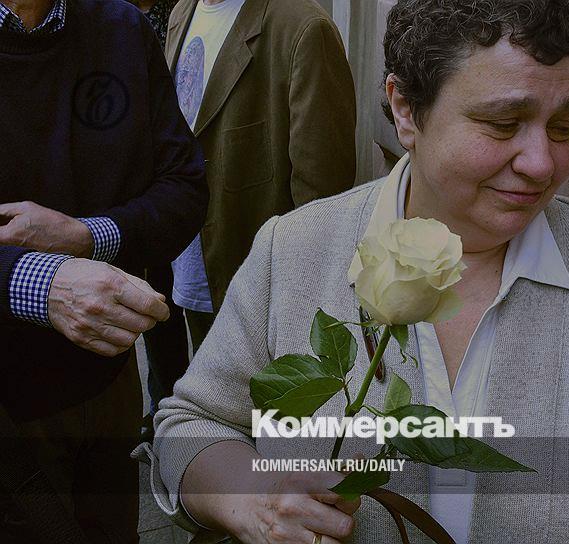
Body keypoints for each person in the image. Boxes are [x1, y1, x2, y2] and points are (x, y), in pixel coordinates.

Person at [146, 1, 569, 543]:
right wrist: (253, 500)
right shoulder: (295, 253)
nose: (542, 163)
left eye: (563, 127)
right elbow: (192, 426)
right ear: (406, 109)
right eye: (503, 124)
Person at [0, 0, 207, 541]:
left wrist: (89, 235)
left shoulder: (121, 28)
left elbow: (185, 187)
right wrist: (39, 281)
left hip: (107, 387)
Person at [165, 0, 357, 351]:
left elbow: (322, 197)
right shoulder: (182, 11)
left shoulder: (304, 28)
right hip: (189, 273)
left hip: (257, 295)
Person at [128, 0, 191, 444]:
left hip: (180, 191)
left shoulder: (175, 10)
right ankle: (161, 409)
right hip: (147, 195)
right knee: (158, 312)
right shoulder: (114, 14)